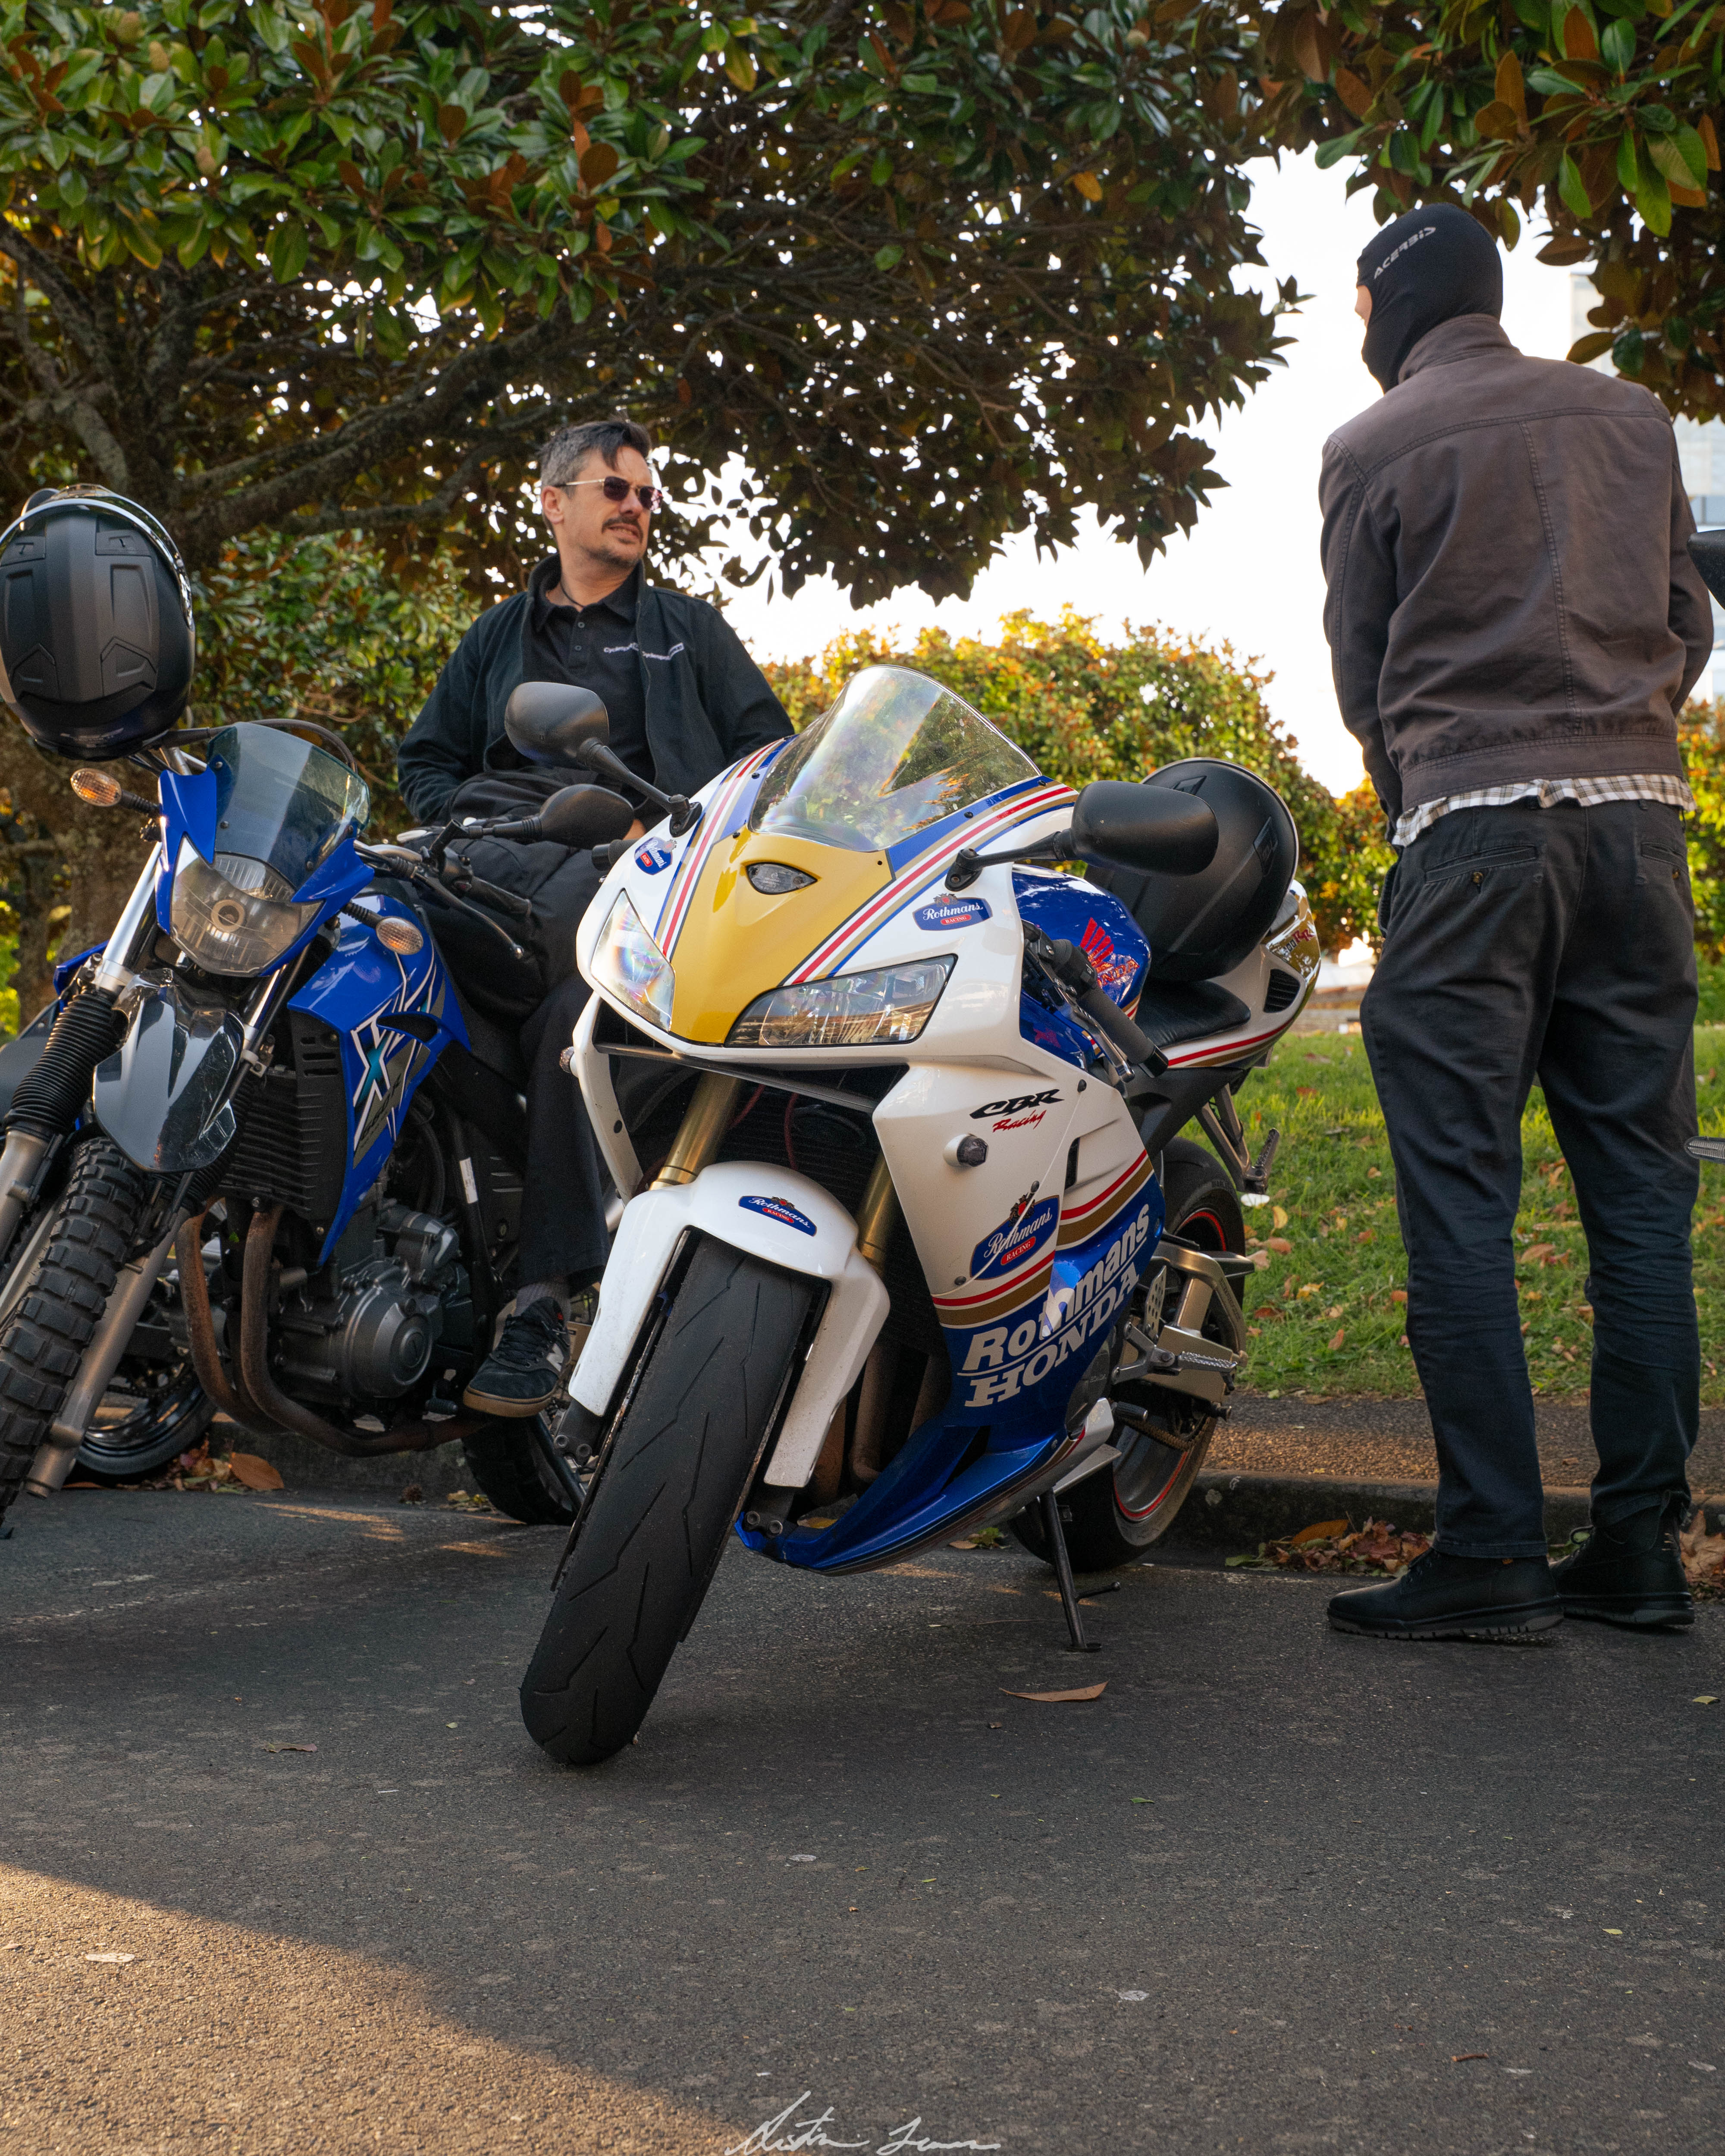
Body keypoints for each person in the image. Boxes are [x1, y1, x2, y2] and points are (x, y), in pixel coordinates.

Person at [1318, 204, 1713, 1641]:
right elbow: (1687, 617)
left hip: (1474, 835)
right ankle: (1640, 1551)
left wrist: (1429, 782)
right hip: (1640, 835)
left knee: (1462, 1198)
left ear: (1390, 306)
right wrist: (1620, 726)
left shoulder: (1372, 447)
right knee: (1643, 1200)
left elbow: (1363, 667)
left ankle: (1490, 1549)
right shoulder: (1631, 419)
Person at [397, 417, 792, 1415]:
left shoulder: (688, 629)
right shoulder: (497, 636)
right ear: (553, 502)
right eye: (615, 488)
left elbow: (770, 760)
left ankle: (539, 1304)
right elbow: (425, 759)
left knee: (579, 1015)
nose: (636, 507)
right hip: (490, 855)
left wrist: (670, 833)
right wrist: (460, 822)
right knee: (360, 940)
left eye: (647, 495)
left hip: (630, 868)